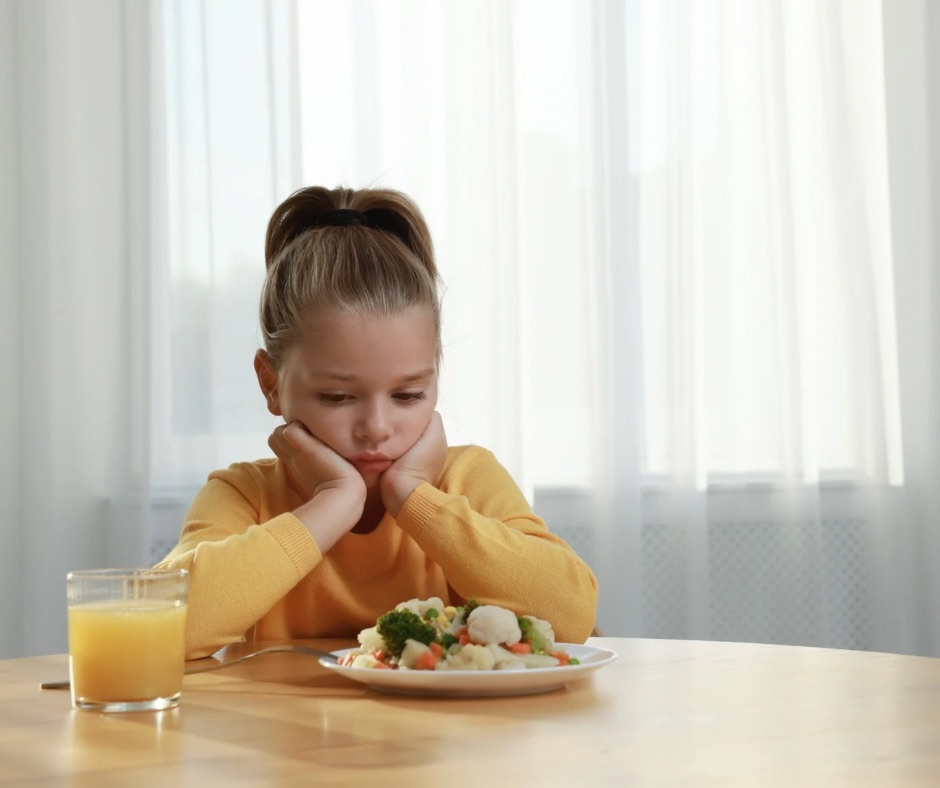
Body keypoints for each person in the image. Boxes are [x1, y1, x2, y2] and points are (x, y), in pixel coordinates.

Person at [156, 185, 599, 659]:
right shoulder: (244, 494)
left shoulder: (466, 478)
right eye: (338, 396)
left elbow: (572, 616)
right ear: (270, 384)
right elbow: (160, 629)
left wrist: (412, 495)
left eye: (408, 395)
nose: (376, 427)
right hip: (290, 732)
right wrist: (334, 503)